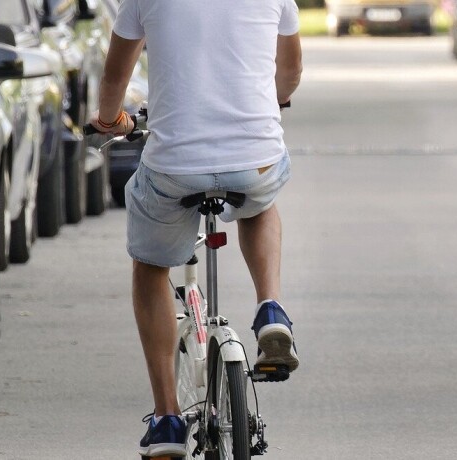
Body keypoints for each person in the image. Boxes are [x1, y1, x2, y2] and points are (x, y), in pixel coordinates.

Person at [88, 0, 303, 456]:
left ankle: (167, 418)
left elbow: (113, 79)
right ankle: (271, 311)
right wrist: (276, 100)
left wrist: (111, 121)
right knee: (260, 203)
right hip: (254, 157)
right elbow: (291, 70)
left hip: (175, 168)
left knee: (150, 265)